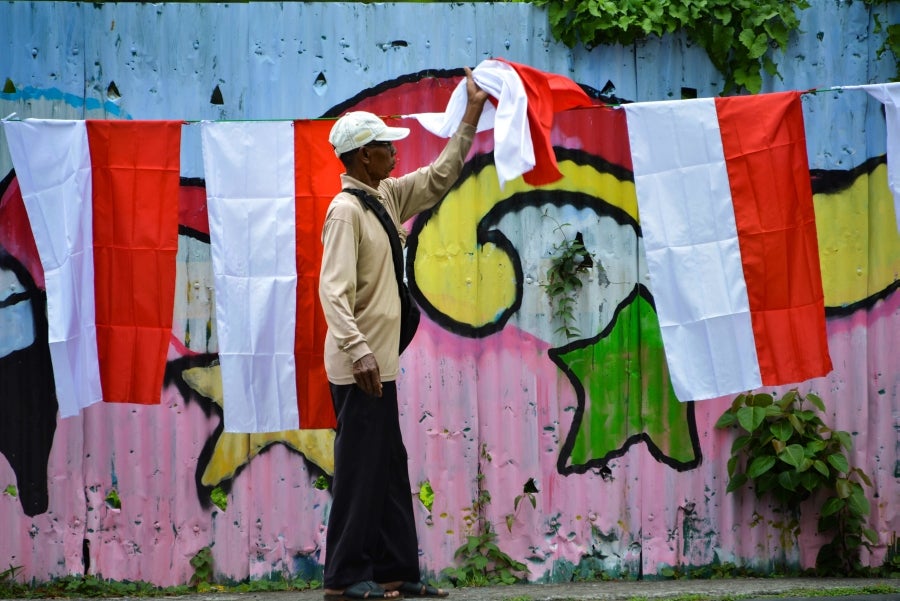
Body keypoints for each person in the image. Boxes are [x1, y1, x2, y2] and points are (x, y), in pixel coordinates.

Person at [318, 68, 488, 601]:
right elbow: (333, 292)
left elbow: (440, 175)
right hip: (360, 366)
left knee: (389, 468)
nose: (395, 153)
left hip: (379, 365)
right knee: (359, 473)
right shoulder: (346, 212)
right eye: (386, 148)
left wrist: (472, 113)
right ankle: (345, 579)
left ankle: (394, 571)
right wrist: (361, 351)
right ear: (363, 156)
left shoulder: (385, 199)